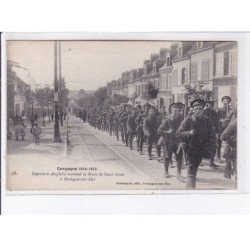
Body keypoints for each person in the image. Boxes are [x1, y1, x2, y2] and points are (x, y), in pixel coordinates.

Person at [176, 99, 216, 189]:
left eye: (200, 109)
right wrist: (188, 133)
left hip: (202, 149)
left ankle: (188, 186)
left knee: (194, 169)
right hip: (190, 148)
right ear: (192, 110)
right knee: (191, 170)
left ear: (203, 110)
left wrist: (211, 147)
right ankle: (191, 190)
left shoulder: (207, 121)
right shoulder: (188, 120)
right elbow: (178, 133)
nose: (197, 111)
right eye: (195, 109)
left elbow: (212, 135)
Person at [158, 102, 184, 179]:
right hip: (168, 142)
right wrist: (167, 132)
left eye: (178, 111)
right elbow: (159, 131)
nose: (176, 112)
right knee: (167, 157)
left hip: (178, 142)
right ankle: (166, 172)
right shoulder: (166, 121)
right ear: (171, 111)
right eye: (174, 110)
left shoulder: (181, 121)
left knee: (179, 157)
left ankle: (178, 174)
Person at [204, 101, 220, 168]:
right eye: (209, 105)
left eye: (211, 105)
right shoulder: (203, 112)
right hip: (204, 132)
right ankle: (199, 161)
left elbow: (217, 122)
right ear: (206, 105)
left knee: (213, 147)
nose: (210, 106)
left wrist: (217, 131)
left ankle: (211, 162)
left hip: (212, 132)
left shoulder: (214, 113)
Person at [217, 96, 232, 162]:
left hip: (229, 128)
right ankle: (218, 157)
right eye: (225, 101)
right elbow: (217, 119)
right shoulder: (219, 110)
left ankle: (226, 156)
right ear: (222, 102)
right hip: (221, 128)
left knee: (228, 142)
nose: (226, 102)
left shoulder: (232, 110)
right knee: (219, 142)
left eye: (227, 101)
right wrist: (221, 120)